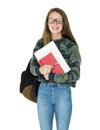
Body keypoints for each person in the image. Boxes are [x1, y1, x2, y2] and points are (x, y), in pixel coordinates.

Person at [30, 7, 81, 130]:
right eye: (51, 20)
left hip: (63, 92)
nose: (55, 24)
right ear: (47, 23)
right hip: (44, 92)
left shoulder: (70, 46)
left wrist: (53, 76)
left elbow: (75, 74)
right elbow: (32, 66)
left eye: (59, 20)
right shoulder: (41, 43)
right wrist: (40, 70)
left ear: (64, 23)